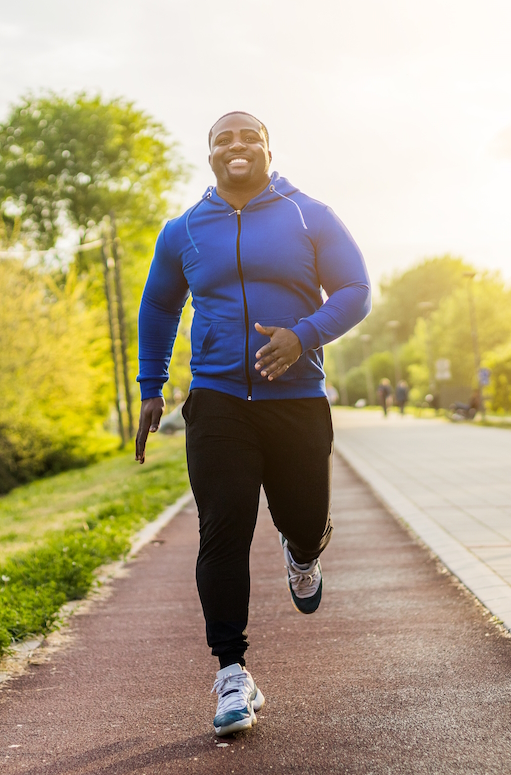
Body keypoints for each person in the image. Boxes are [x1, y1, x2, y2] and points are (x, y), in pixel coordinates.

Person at [135, 111, 371, 737]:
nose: (235, 147)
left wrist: (304, 335)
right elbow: (159, 304)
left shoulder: (307, 215)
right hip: (216, 400)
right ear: (209, 154)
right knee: (223, 528)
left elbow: (354, 289)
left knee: (301, 517)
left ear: (268, 148)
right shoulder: (184, 230)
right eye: (223, 139)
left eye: (248, 137)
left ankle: (303, 552)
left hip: (295, 399)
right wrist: (150, 388)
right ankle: (232, 670)